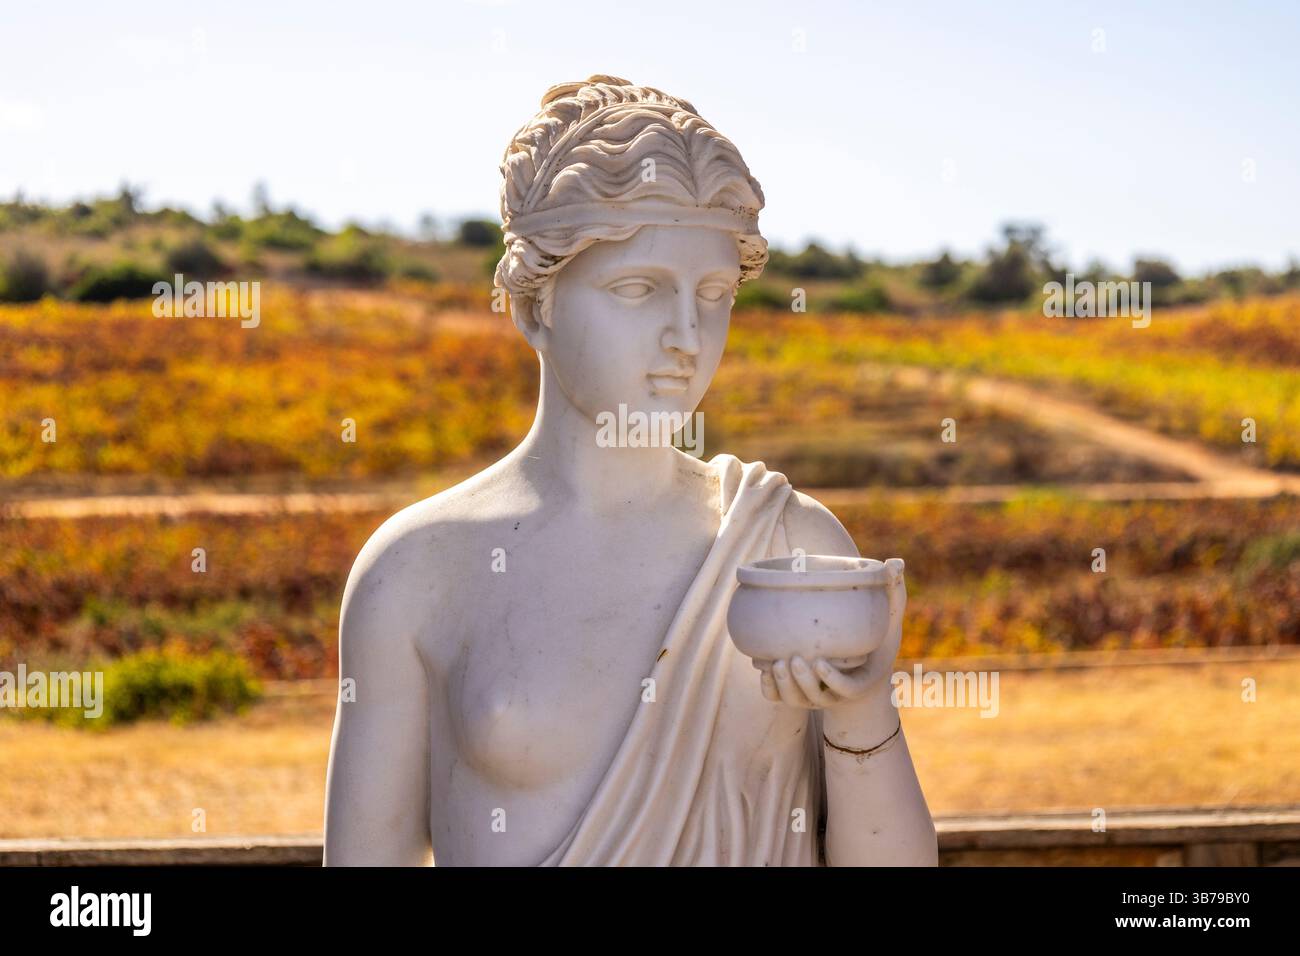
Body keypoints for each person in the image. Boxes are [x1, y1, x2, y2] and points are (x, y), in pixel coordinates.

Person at [324, 76, 936, 866]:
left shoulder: (787, 547)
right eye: (640, 289)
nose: (687, 335)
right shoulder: (416, 570)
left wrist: (861, 713)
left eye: (714, 294)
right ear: (531, 306)